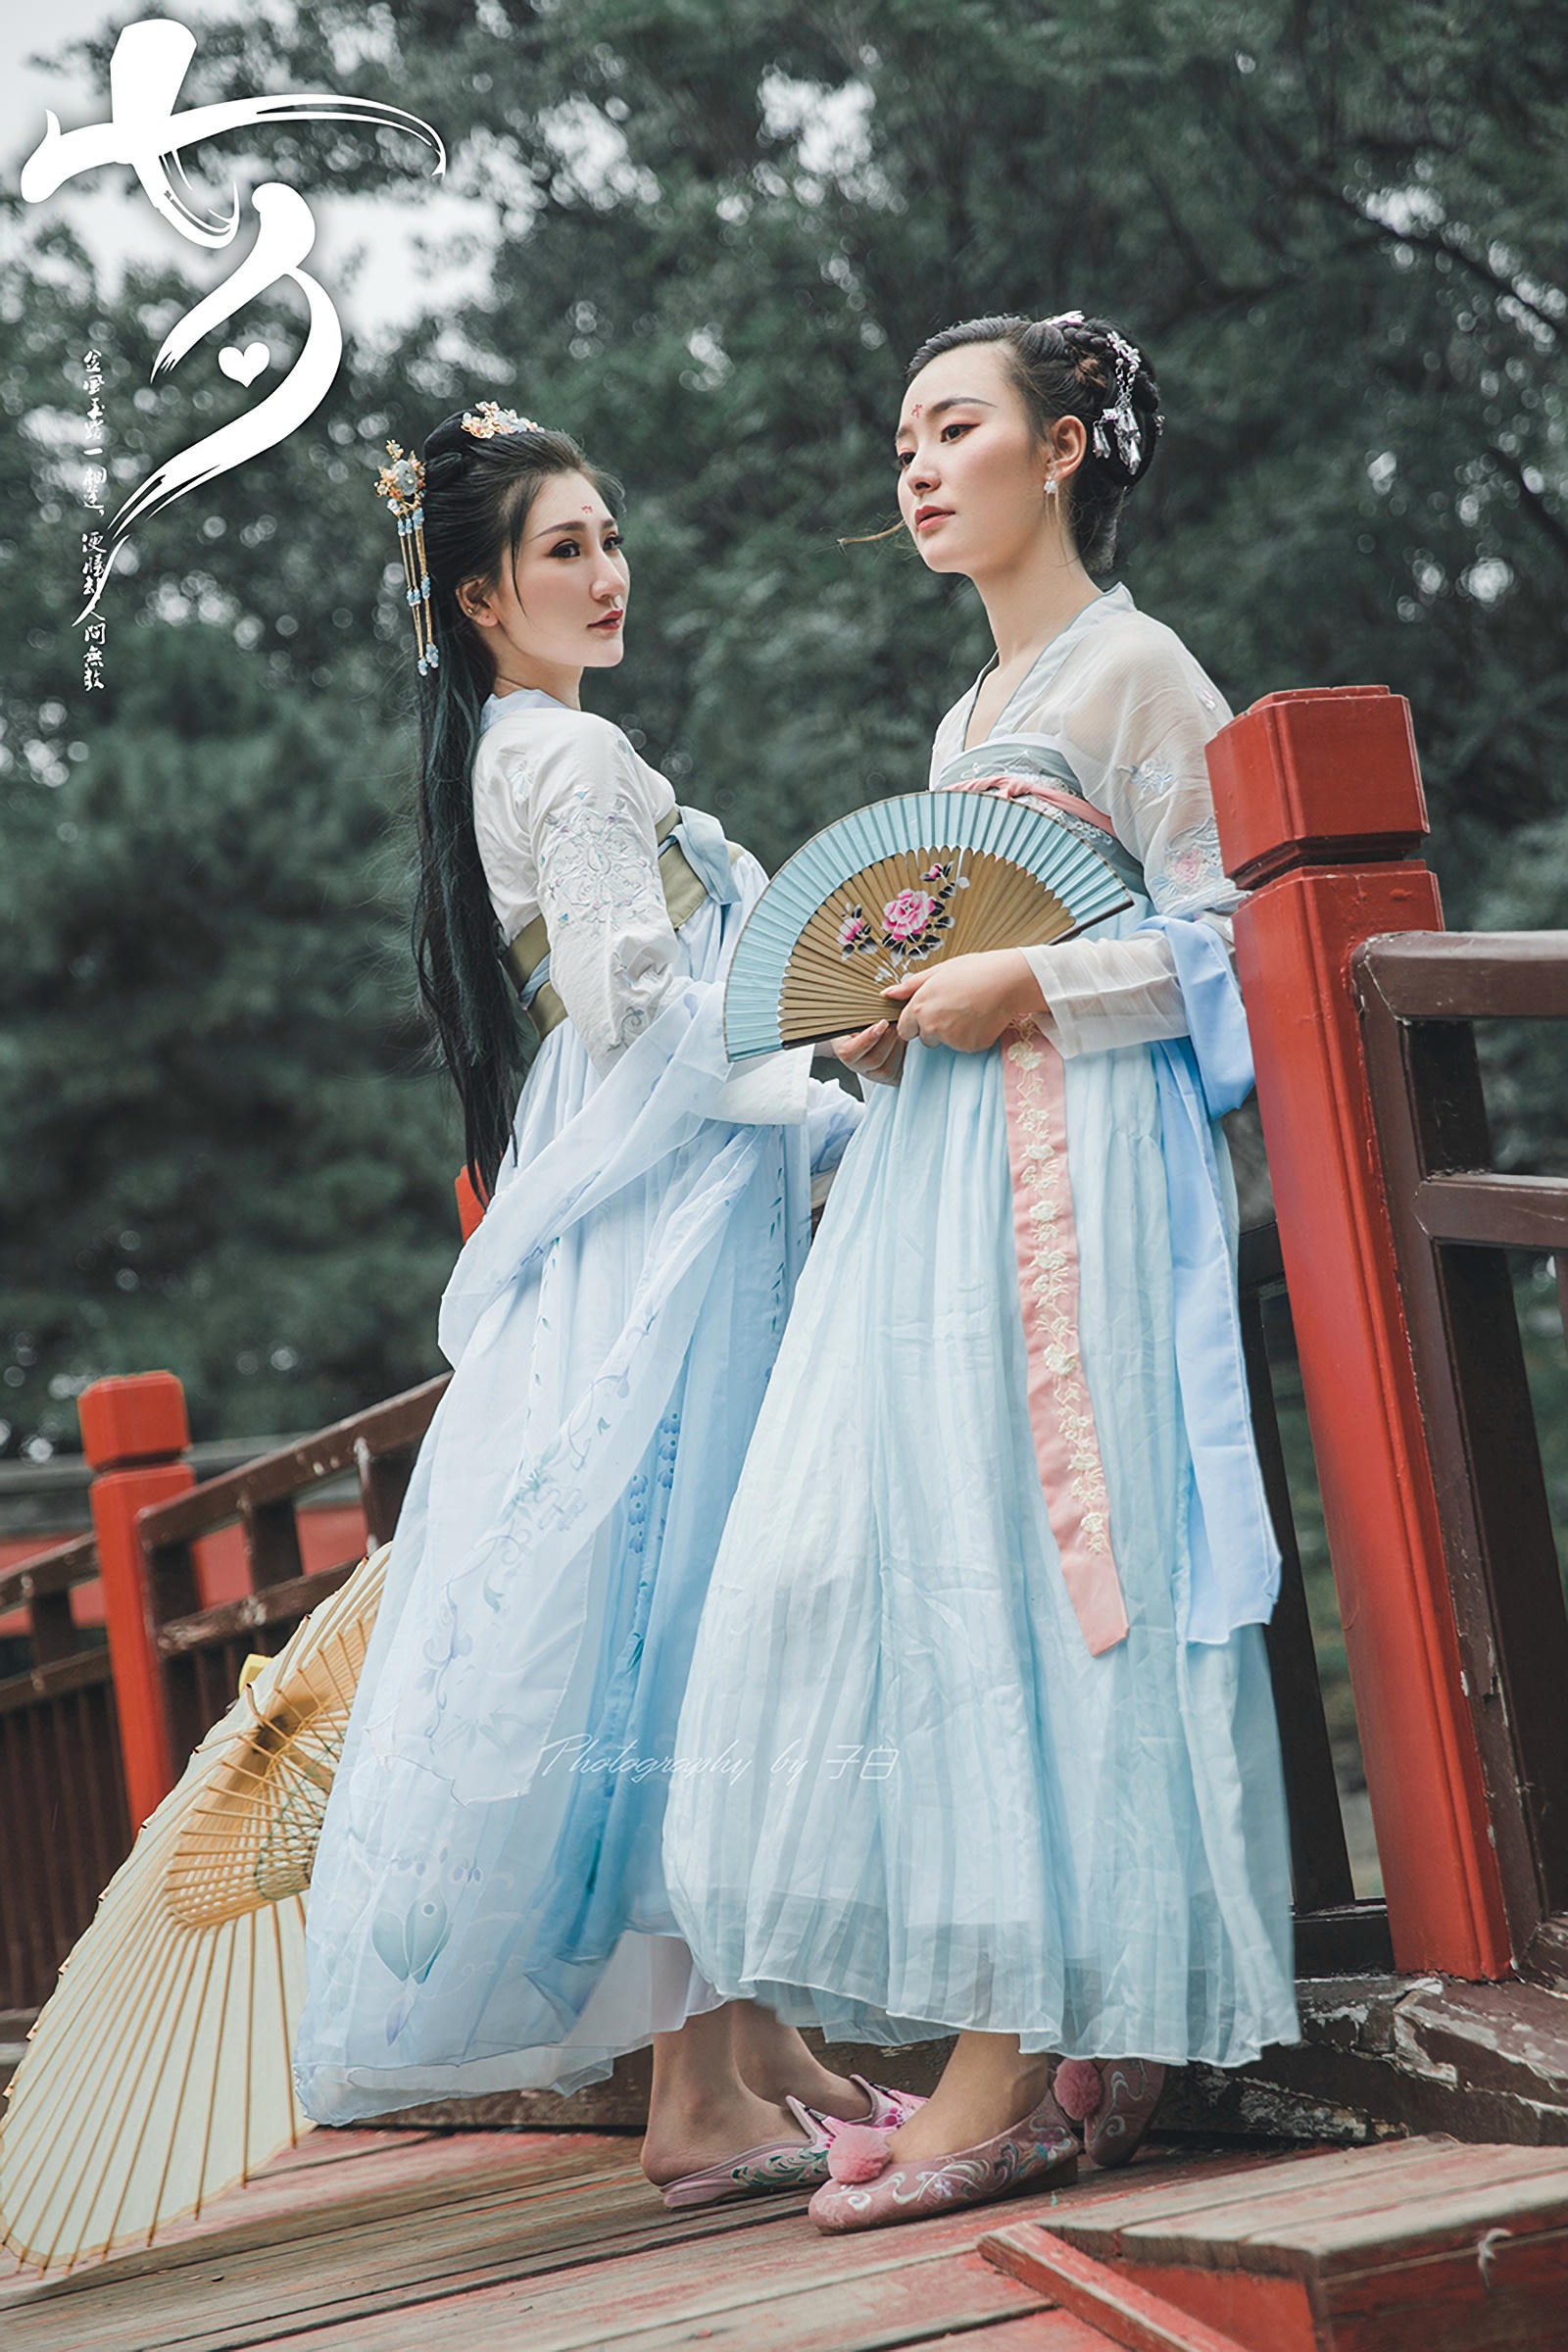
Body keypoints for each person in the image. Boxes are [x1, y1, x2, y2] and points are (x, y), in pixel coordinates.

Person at [662, 314, 1299, 2230]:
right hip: (945, 1175)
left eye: (955, 429)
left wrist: (1027, 975)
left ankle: (1016, 2055)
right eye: (902, 445)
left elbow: (1232, 946)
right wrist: (891, 1022)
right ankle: (1034, 2023)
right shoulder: (966, 721)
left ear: (1064, 447)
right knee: (924, 1552)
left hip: (1080, 1169)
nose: (919, 470)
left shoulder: (1136, 670)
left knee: (1057, 1556)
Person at [292, 402, 908, 2205]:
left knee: (670, 1609)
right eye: (566, 548)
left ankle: (747, 2045)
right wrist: (836, 1071)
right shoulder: (569, 755)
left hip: (645, 1199)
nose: (609, 571)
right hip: (671, 1216)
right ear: (482, 597)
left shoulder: (513, 748)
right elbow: (644, 1024)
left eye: (611, 538)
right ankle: (700, 2091)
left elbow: (617, 1020)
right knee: (690, 1606)